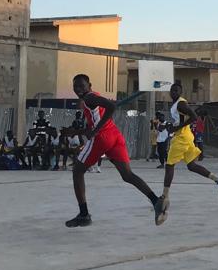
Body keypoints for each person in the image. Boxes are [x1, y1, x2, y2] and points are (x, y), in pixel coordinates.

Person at [64, 73, 166, 228]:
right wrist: (77, 132)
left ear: (89, 86)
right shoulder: (91, 97)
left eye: (81, 86)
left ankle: (84, 214)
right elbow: (96, 122)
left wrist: (96, 130)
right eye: (75, 86)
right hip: (114, 135)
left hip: (103, 138)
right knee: (127, 175)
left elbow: (111, 107)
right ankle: (155, 201)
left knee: (77, 171)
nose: (78, 89)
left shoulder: (89, 98)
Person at [158, 81, 218, 224]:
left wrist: (177, 128)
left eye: (177, 90)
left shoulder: (180, 104)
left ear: (180, 92)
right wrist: (171, 126)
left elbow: (193, 117)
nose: (174, 92)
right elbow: (181, 120)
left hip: (182, 139)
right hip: (187, 137)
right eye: (172, 90)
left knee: (169, 166)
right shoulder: (176, 105)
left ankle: (165, 197)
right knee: (191, 166)